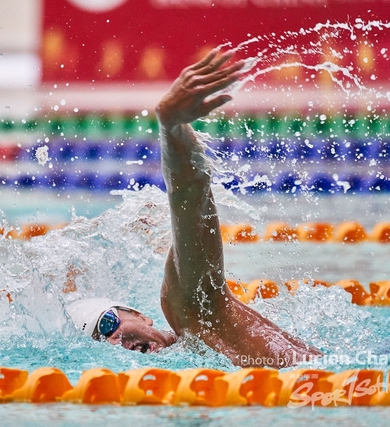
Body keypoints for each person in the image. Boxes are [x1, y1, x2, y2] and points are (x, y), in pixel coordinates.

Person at [66, 49, 322, 368]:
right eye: (103, 343)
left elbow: (191, 195)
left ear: (138, 314)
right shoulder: (181, 373)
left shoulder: (191, 312)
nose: (117, 342)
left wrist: (171, 128)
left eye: (107, 325)